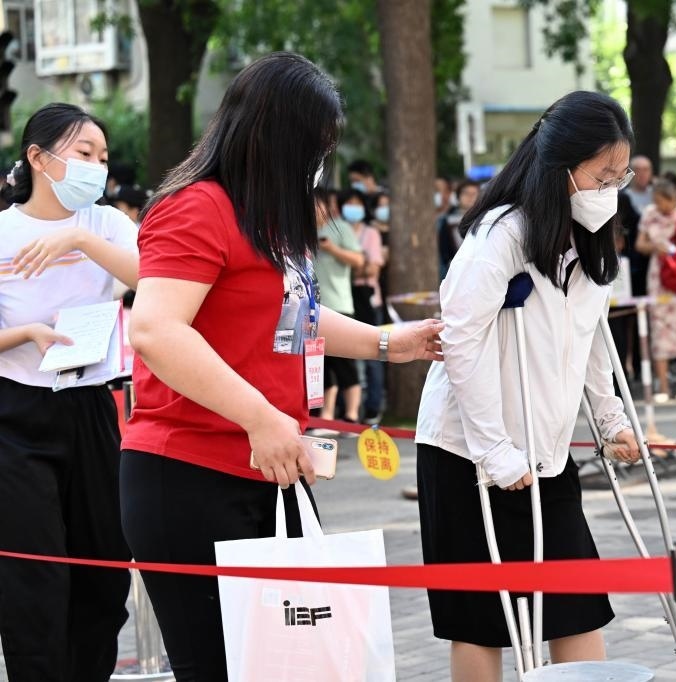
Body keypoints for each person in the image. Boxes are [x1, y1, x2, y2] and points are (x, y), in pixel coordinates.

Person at [119, 53, 442, 681]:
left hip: (272, 467)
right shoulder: (197, 207)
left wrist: (386, 343)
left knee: (295, 664)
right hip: (190, 473)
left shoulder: (271, 219)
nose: (320, 162)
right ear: (274, 136)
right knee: (221, 668)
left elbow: (294, 319)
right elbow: (156, 330)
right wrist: (261, 417)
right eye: (315, 144)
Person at [415, 90, 641, 682]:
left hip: (547, 451)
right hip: (468, 452)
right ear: (560, 165)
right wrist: (493, 448)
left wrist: (610, 418)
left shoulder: (590, 236)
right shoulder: (500, 235)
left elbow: (592, 336)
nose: (609, 191)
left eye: (619, 178)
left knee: (576, 604)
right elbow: (461, 341)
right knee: (481, 619)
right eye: (601, 176)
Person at [0, 103, 139, 682]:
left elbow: (154, 278)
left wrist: (78, 239)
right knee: (33, 577)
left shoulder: (106, 224)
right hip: (14, 413)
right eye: (85, 154)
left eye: (103, 158)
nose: (97, 168)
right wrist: (26, 334)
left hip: (91, 406)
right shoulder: (4, 231)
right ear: (38, 157)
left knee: (104, 565)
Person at [635, 179, 676, 402]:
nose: (660, 205)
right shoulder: (649, 214)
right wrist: (655, 246)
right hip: (658, 277)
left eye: (663, 200)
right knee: (659, 330)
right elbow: (639, 244)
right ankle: (663, 387)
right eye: (656, 200)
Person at [314, 187, 365, 422]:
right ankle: (326, 415)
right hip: (313, 308)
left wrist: (332, 249)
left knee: (345, 362)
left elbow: (358, 260)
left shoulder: (340, 228)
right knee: (321, 364)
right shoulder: (301, 231)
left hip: (339, 305)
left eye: (317, 204)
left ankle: (352, 414)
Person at [345, 188, 388, 422]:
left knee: (374, 355)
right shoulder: (337, 230)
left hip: (369, 300)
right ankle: (349, 408)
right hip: (345, 300)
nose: (353, 207)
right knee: (347, 358)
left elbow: (373, 269)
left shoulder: (371, 233)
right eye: (348, 202)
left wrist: (349, 266)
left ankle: (373, 406)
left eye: (357, 203)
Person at [438, 180, 480, 280]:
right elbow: (443, 249)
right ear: (458, 196)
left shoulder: (486, 219)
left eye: (474, 194)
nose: (470, 197)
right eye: (466, 193)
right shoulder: (447, 220)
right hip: (455, 271)